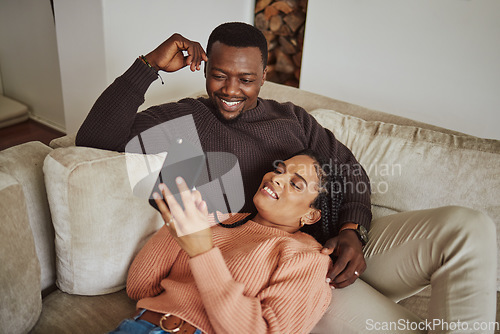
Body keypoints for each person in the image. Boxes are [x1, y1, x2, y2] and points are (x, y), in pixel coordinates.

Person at [78, 22, 497, 333]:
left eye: (245, 79)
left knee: (468, 227)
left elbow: (348, 169)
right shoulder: (185, 118)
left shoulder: (291, 118)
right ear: (204, 68)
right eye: (219, 75)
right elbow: (95, 139)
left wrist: (353, 230)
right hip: (284, 268)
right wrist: (148, 65)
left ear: (264, 76)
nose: (230, 89)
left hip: (333, 241)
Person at [111, 150, 338, 334]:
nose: (276, 178)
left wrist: (203, 253)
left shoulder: (308, 257)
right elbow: (140, 287)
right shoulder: (216, 218)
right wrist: (177, 220)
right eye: (279, 170)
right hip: (136, 326)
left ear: (311, 215)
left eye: (296, 184)